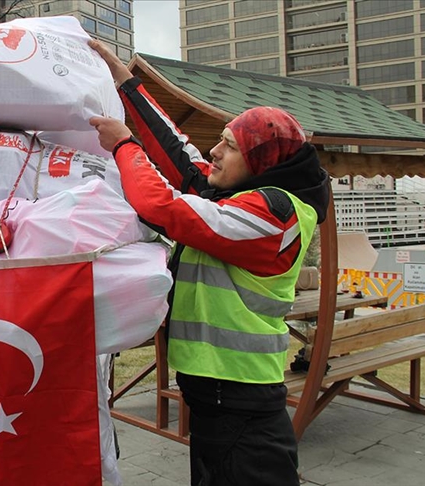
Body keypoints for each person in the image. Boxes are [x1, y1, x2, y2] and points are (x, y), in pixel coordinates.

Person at [88, 40, 330, 486]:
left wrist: (124, 145)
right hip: (217, 391)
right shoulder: (244, 196)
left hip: (238, 396)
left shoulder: (273, 215)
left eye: (229, 146)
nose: (214, 152)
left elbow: (162, 207)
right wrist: (127, 83)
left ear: (260, 162)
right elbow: (182, 158)